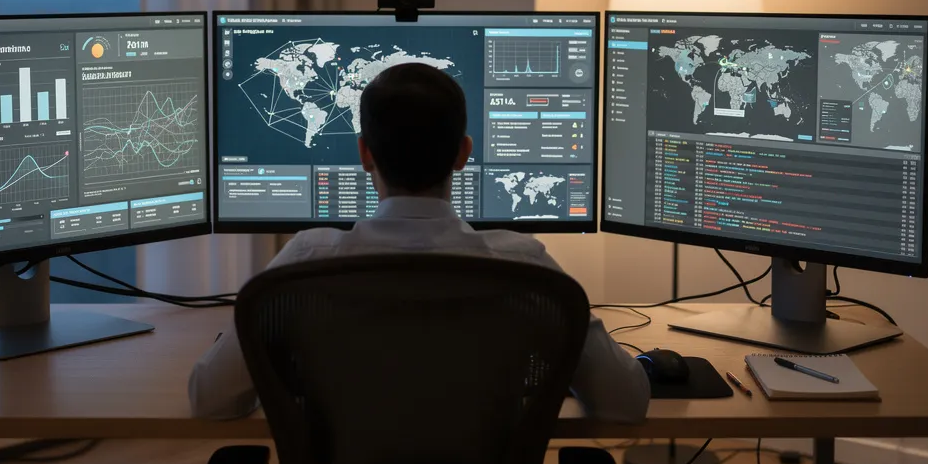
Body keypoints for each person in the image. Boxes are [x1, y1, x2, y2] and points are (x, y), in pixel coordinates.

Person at [189, 63, 651, 423]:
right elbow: (624, 403)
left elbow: (211, 399)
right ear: (463, 154)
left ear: (364, 153)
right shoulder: (526, 269)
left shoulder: (305, 264)